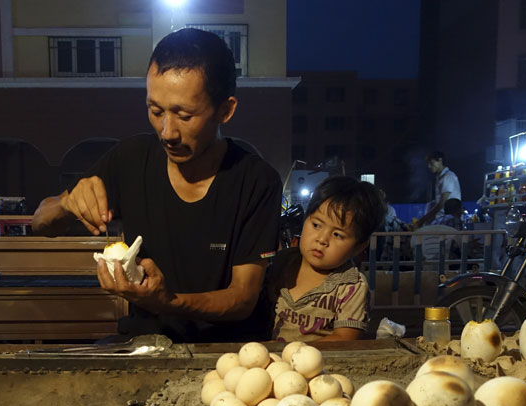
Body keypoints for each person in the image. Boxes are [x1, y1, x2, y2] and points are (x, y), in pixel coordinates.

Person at [31, 28, 282, 342]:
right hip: (145, 343)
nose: (167, 132)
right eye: (155, 111)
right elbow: (40, 222)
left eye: (184, 115)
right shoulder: (130, 158)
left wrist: (169, 302)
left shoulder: (256, 181)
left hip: (227, 352)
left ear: (225, 110)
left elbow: (242, 298)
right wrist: (67, 204)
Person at [266, 176, 387, 343]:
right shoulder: (282, 263)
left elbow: (345, 338)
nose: (322, 239)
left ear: (359, 246)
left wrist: (293, 354)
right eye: (316, 225)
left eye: (337, 234)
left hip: (322, 366)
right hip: (271, 363)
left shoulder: (351, 287)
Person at [415, 150, 460, 228]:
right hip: (442, 220)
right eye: (428, 164)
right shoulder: (440, 177)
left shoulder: (448, 177)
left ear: (440, 160)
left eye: (431, 163)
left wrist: (422, 220)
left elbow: (441, 203)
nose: (429, 166)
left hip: (449, 221)